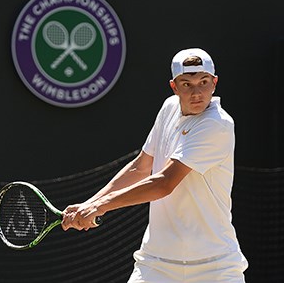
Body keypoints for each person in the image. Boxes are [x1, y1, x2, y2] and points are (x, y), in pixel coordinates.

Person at [61, 48, 248, 282]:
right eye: (187, 84)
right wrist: (89, 204)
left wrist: (100, 206)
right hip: (156, 265)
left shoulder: (217, 125)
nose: (197, 92)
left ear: (215, 83)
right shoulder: (169, 108)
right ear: (174, 86)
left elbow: (164, 183)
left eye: (203, 82)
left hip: (214, 268)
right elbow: (140, 167)